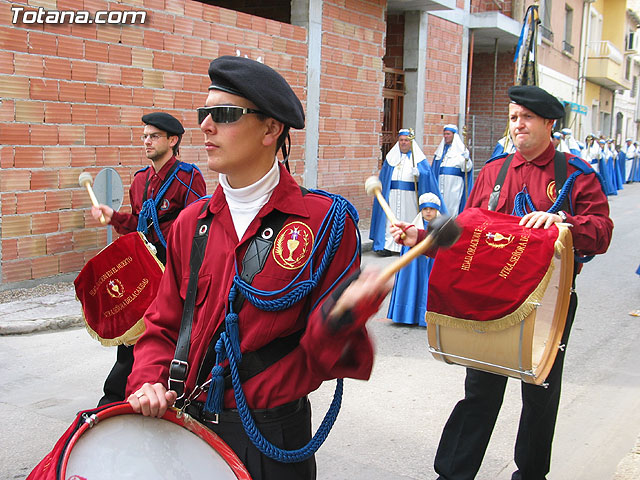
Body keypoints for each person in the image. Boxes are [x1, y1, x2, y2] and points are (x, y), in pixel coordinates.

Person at [125, 56, 392, 480]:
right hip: (186, 424)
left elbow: (323, 358)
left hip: (270, 435)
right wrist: (148, 381)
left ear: (271, 129)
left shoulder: (324, 223)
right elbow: (163, 325)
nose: (206, 125)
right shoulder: (191, 224)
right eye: (204, 113)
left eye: (225, 114)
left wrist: (343, 317)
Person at [392, 85, 613, 480]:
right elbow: (463, 238)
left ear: (549, 123)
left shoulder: (575, 173)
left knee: (540, 393)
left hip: (548, 302)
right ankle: (453, 474)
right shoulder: (494, 172)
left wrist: (564, 224)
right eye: (513, 117)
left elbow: (601, 231)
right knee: (480, 390)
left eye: (527, 117)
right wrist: (420, 239)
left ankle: (530, 474)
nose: (518, 125)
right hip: (489, 296)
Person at [90, 112, 207, 407]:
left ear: (172, 140)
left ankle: (172, 392)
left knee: (168, 334)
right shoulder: (140, 180)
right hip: (144, 269)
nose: (147, 141)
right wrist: (113, 217)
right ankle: (117, 396)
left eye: (154, 136)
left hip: (172, 268)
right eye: (144, 136)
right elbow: (140, 226)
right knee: (132, 335)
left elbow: (196, 229)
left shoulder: (188, 178)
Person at [370, 128, 440, 255]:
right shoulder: (391, 159)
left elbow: (427, 176)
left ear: (411, 142)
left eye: (406, 140)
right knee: (390, 220)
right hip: (392, 194)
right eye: (401, 140)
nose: (403, 143)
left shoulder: (418, 159)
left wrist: (419, 174)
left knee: (409, 219)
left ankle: (409, 244)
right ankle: (388, 246)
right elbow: (385, 178)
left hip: (410, 196)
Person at [387, 192, 442, 327]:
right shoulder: (413, 229)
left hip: (433, 266)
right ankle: (408, 314)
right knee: (413, 282)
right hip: (417, 266)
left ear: (437, 211)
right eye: (425, 209)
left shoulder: (443, 230)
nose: (428, 212)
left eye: (432, 209)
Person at [431, 124, 473, 217]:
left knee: (452, 208)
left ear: (454, 135)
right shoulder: (440, 152)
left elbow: (467, 168)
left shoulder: (461, 151)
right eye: (444, 134)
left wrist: (466, 159)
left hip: (454, 186)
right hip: (440, 185)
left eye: (448, 134)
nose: (446, 136)